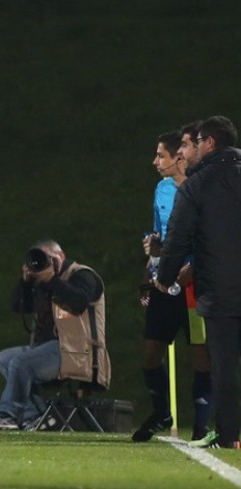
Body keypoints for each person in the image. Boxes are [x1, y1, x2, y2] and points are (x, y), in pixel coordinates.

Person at [156, 115, 241, 449]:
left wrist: (164, 279)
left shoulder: (198, 184)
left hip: (221, 291)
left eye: (192, 143)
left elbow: (177, 238)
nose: (185, 151)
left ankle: (229, 434)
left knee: (224, 366)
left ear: (210, 143)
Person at [133, 131, 211, 443]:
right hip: (163, 283)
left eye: (160, 155)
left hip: (194, 284)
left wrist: (190, 268)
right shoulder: (162, 190)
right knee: (150, 352)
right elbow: (157, 238)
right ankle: (162, 413)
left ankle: (203, 425)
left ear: (178, 158)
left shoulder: (203, 190)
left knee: (200, 355)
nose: (155, 161)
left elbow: (209, 238)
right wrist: (146, 272)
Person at [0, 240, 109, 431]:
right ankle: (36, 416)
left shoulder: (83, 275)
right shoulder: (42, 282)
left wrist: (52, 280)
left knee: (21, 363)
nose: (45, 263)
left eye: (49, 257)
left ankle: (8, 414)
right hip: (51, 349)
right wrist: (25, 283)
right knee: (5, 358)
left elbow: (79, 302)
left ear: (61, 255)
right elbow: (18, 307)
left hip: (79, 352)